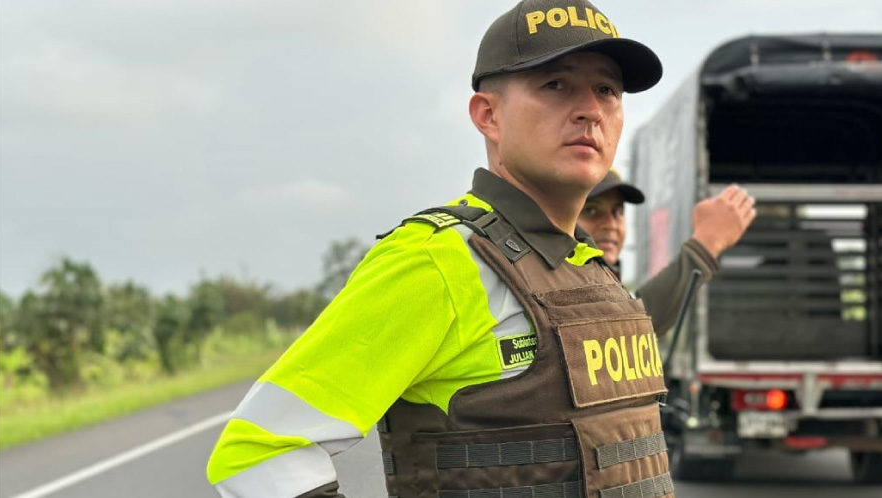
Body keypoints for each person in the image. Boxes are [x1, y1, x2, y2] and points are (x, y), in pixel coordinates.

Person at [205, 1, 678, 497]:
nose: (590, 110)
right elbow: (256, 453)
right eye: (555, 85)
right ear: (488, 115)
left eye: (607, 90)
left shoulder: (586, 263)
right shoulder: (438, 259)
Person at [579, 169, 755, 334]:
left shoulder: (610, 287)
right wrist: (704, 247)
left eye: (617, 212)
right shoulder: (567, 286)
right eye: (591, 210)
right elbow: (625, 328)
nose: (611, 224)